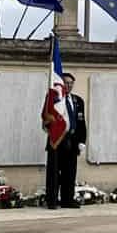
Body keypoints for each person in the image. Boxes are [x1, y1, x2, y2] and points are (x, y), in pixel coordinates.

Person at [42, 71, 86, 209]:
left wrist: (82, 141)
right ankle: (52, 200)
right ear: (61, 83)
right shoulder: (54, 100)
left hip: (72, 141)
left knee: (70, 172)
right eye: (66, 83)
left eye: (71, 83)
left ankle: (68, 199)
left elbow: (81, 122)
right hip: (57, 140)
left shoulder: (77, 100)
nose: (69, 85)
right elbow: (47, 118)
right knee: (54, 172)